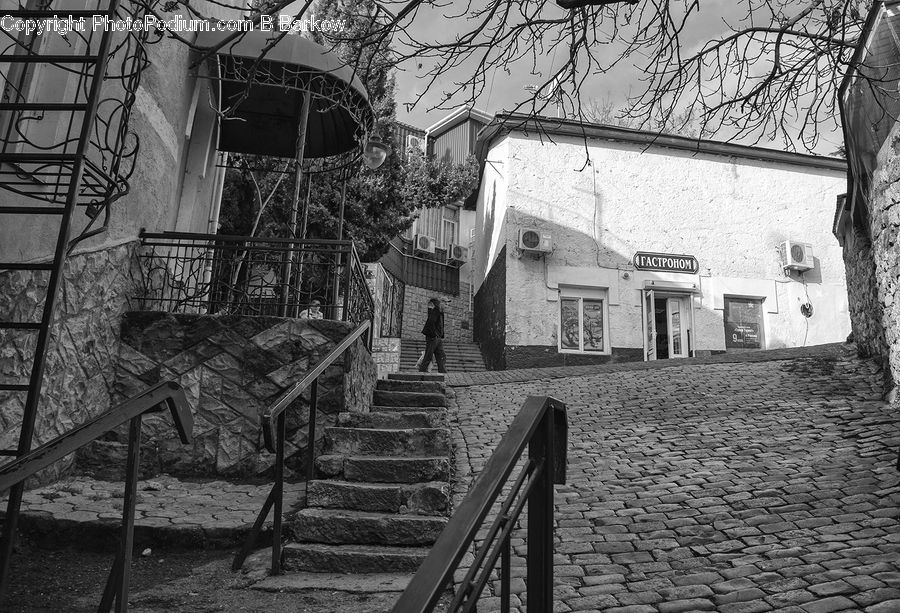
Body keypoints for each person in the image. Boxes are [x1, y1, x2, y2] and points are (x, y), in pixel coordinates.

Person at [419, 298, 447, 373]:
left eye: (447, 304)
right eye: (446, 304)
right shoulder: (436, 310)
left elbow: (440, 325)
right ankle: (422, 372)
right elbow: (431, 322)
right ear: (441, 303)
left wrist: (441, 335)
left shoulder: (441, 311)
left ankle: (443, 373)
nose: (447, 306)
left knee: (442, 355)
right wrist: (434, 334)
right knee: (428, 356)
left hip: (438, 338)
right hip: (433, 337)